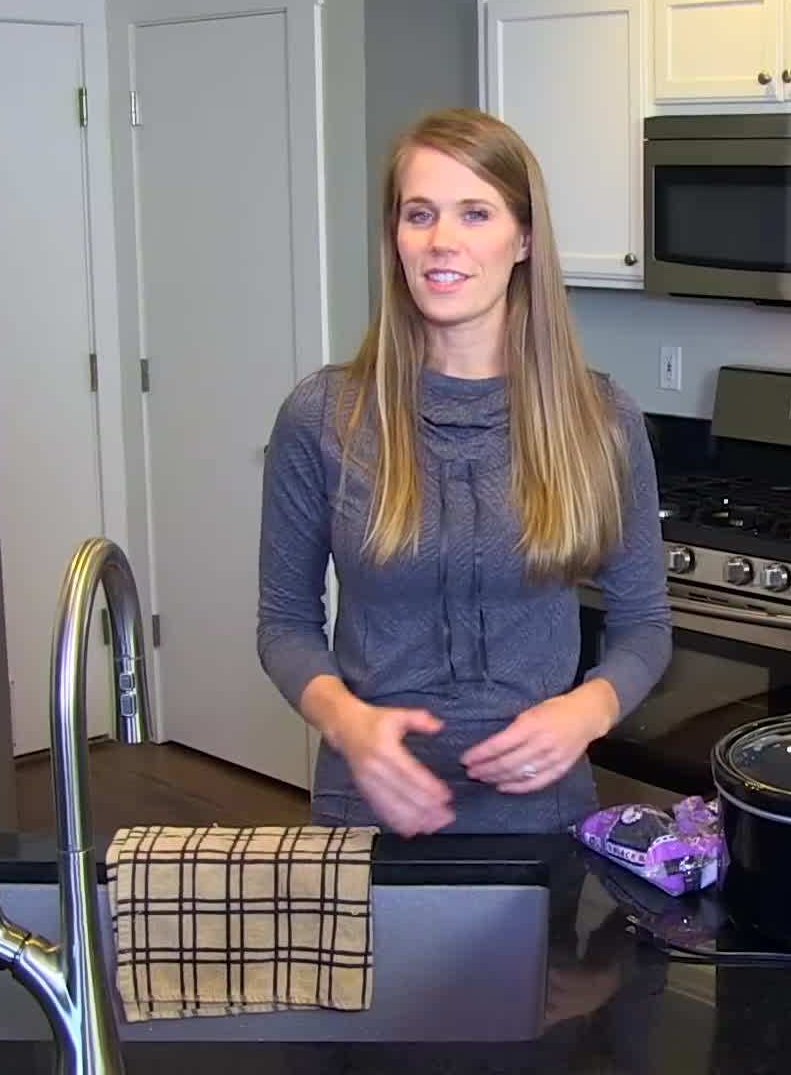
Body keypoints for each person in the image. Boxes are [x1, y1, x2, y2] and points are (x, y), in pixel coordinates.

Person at [256, 108, 672, 838]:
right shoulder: (324, 416)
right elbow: (285, 624)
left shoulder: (600, 419)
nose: (442, 241)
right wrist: (348, 722)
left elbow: (644, 627)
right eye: (420, 214)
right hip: (370, 811)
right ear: (395, 237)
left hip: (542, 815)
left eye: (475, 213)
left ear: (524, 239)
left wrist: (588, 709)